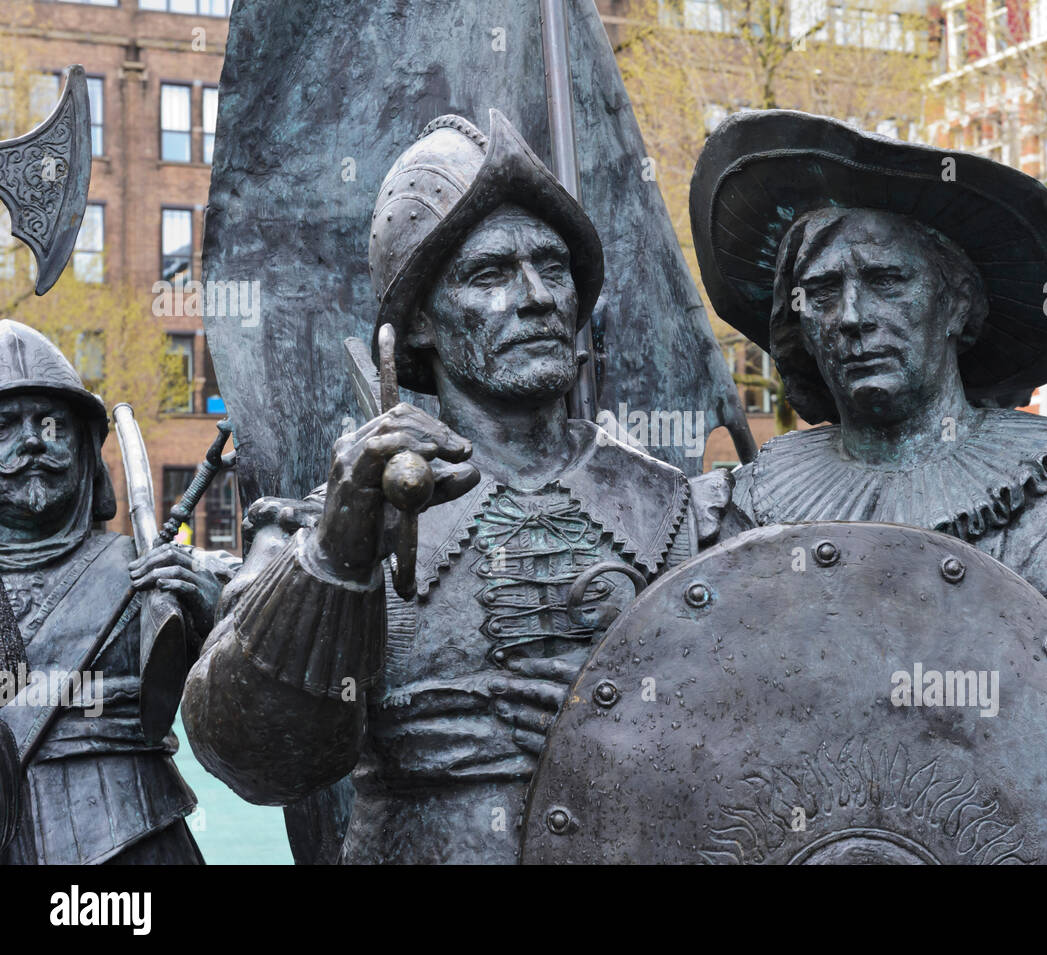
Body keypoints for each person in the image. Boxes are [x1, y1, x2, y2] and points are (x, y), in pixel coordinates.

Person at [182, 111, 730, 864]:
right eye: (490, 273)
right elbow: (253, 757)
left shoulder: (682, 512)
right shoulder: (323, 524)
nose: (537, 296)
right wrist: (336, 559)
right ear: (417, 328)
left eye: (553, 266)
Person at [690, 110, 1047, 787]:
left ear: (957, 304)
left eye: (887, 279)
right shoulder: (741, 509)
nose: (852, 316)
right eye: (823, 291)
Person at [0, 320, 224, 863]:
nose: (33, 440)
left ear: (83, 448)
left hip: (133, 844)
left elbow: (254, 735)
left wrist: (219, 622)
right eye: (4, 425)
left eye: (52, 425)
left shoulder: (154, 573)